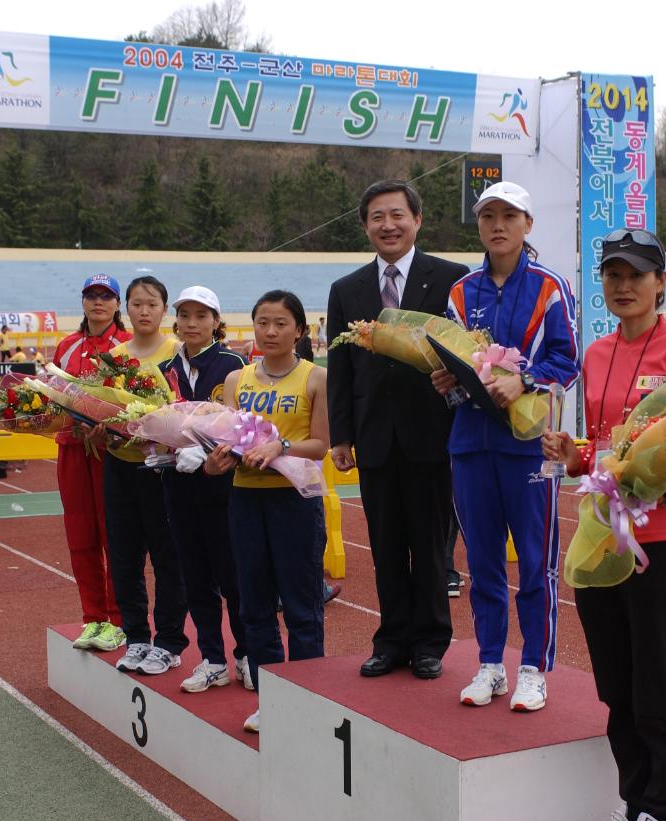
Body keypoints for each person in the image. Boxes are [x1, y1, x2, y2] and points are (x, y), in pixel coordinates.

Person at [541, 228, 666, 821]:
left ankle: (665, 817)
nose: (623, 286)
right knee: (616, 681)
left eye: (637, 275)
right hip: (603, 537)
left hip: (664, 541)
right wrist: (575, 459)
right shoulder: (595, 355)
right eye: (613, 275)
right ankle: (634, 799)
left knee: (660, 678)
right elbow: (602, 446)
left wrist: (660, 488)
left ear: (661, 283)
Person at [431, 181, 579, 712]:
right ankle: (491, 663)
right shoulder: (459, 293)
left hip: (529, 447)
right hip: (470, 443)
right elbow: (449, 360)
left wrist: (526, 380)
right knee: (484, 562)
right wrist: (446, 383)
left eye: (509, 216)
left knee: (536, 563)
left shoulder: (550, 287)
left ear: (527, 225)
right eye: (488, 215)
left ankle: (534, 668)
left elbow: (568, 360)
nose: (498, 225)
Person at [327, 179, 468, 681]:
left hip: (433, 433)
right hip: (375, 438)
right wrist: (341, 436)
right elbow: (340, 368)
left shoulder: (452, 279)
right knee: (385, 545)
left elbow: (466, 355)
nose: (388, 225)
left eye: (397, 215)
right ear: (365, 226)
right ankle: (391, 640)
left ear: (417, 220)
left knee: (430, 546)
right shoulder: (346, 290)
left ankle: (430, 641)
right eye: (377, 217)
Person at [205, 290, 329, 734]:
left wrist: (282, 445)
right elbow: (226, 435)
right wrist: (215, 460)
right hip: (245, 498)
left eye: (280, 323)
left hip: (294, 500)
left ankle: (308, 700)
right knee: (254, 605)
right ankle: (271, 698)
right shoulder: (238, 380)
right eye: (262, 322)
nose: (270, 331)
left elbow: (321, 445)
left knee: (302, 606)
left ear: (298, 329)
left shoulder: (316, 378)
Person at [158, 285, 251, 693]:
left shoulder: (234, 365)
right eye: (185, 315)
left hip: (225, 487)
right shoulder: (164, 370)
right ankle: (212, 658)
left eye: (201, 315)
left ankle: (247, 655)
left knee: (233, 577)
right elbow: (156, 424)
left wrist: (212, 452)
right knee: (194, 576)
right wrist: (160, 449)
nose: (191, 323)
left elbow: (245, 423)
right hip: (178, 485)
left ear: (216, 321)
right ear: (175, 320)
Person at [102, 276, 189, 675]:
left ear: (164, 309)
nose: (144, 311)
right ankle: (136, 636)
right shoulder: (114, 356)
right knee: (124, 557)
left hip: (164, 471)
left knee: (169, 557)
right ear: (127, 309)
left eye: (152, 304)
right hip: (120, 466)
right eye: (136, 304)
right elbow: (101, 407)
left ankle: (169, 641)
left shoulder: (177, 353)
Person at [53, 274, 132, 651]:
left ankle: (119, 620)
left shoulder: (127, 346)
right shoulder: (66, 346)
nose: (98, 301)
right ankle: (93, 618)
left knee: (114, 535)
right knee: (80, 535)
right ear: (82, 302)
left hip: (111, 454)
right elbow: (51, 396)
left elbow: (136, 402)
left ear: (117, 304)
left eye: (106, 296)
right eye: (91, 295)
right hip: (71, 450)